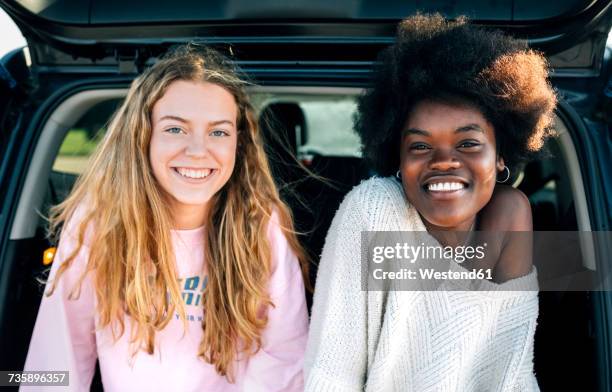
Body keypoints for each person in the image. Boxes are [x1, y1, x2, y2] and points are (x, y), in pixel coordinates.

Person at [23, 44, 309, 391]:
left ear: (239, 143)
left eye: (218, 131)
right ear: (143, 137)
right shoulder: (98, 225)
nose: (197, 150)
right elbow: (58, 358)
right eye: (176, 129)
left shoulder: (262, 224)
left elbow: (284, 359)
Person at [304, 14, 557, 391]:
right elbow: (331, 372)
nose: (443, 162)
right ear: (398, 158)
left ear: (501, 155)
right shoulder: (375, 210)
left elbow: (511, 371)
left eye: (468, 143)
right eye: (420, 146)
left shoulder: (512, 214)